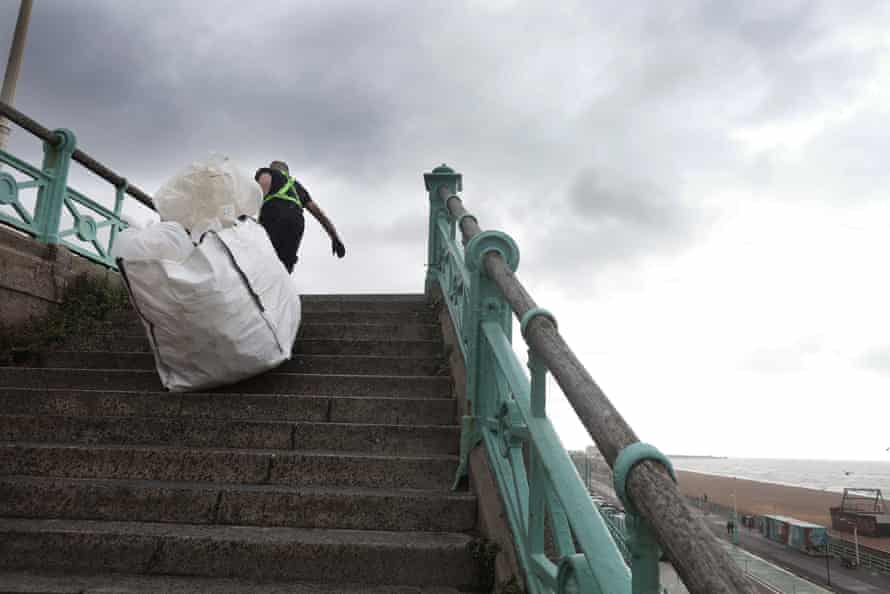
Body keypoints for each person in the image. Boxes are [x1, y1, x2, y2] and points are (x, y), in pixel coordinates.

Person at [254, 160, 345, 272]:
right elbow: (318, 213)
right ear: (287, 172)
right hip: (296, 222)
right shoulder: (296, 186)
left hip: (274, 216)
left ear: (273, 168)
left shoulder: (267, 172)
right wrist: (335, 237)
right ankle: (283, 282)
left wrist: (253, 221)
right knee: (285, 264)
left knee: (262, 257)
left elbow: (262, 188)